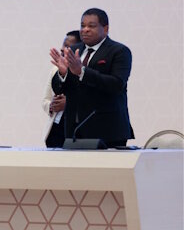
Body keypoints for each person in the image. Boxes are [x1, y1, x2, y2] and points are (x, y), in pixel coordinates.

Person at [49, 8, 134, 148]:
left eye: (91, 26)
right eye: (82, 26)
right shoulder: (74, 50)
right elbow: (60, 89)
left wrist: (82, 71)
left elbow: (116, 84)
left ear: (105, 29)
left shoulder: (119, 51)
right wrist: (63, 74)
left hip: (108, 130)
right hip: (75, 129)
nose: (85, 30)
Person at [42, 30, 80, 148]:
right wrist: (52, 105)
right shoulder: (55, 70)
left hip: (77, 130)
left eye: (67, 46)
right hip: (55, 128)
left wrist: (68, 104)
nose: (63, 49)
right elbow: (45, 100)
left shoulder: (83, 70)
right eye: (63, 46)